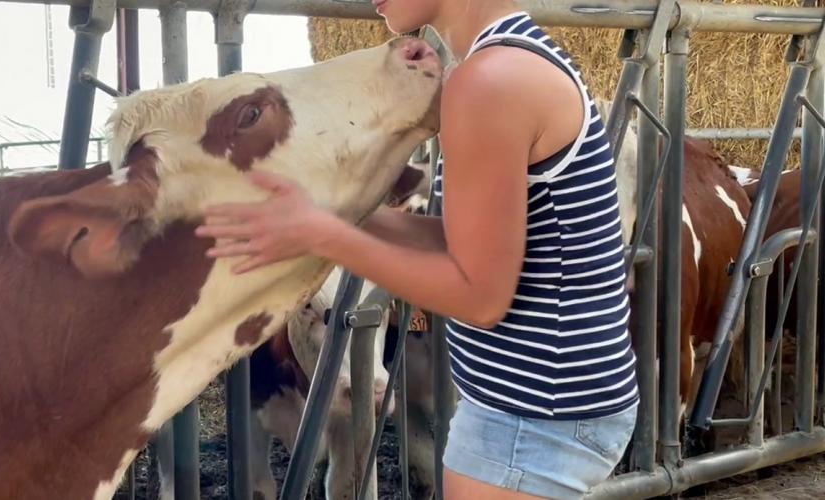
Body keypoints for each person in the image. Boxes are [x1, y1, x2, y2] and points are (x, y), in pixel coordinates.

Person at [194, 1, 639, 498]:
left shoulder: (491, 80)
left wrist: (321, 235)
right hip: (542, 406)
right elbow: (461, 242)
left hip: (531, 419)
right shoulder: (506, 61)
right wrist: (332, 210)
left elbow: (480, 298)